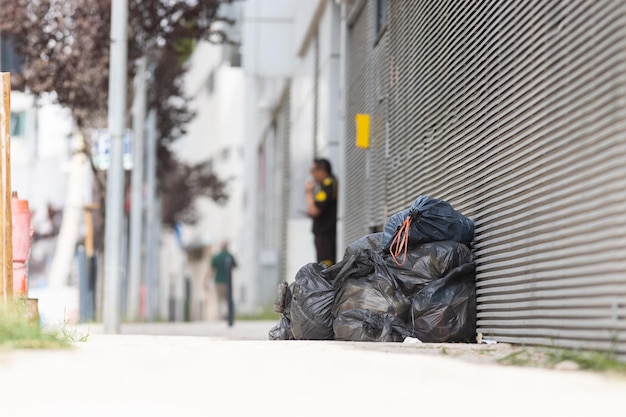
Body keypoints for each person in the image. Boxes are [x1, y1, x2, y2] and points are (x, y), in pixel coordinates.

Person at [305, 158, 338, 267]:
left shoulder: (328, 184)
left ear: (322, 170)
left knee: (325, 266)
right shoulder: (328, 184)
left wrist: (309, 192)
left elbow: (315, 210)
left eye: (313, 171)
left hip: (326, 233)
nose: (312, 175)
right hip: (325, 233)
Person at [209, 241, 237, 321]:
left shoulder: (216, 257)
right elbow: (235, 266)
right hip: (228, 281)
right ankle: (229, 316)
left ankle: (220, 316)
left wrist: (206, 281)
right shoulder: (230, 256)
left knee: (219, 300)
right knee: (228, 300)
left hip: (218, 281)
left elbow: (211, 269)